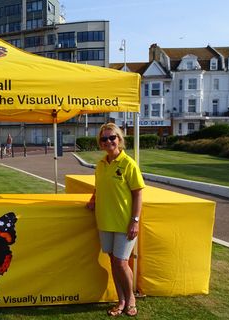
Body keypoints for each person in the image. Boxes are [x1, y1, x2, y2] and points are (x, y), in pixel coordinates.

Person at [86, 123, 144, 317]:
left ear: (120, 139)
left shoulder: (128, 164)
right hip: (104, 220)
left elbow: (138, 194)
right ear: (100, 143)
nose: (109, 141)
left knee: (121, 262)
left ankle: (131, 299)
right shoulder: (101, 164)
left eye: (112, 137)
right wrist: (93, 198)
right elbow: (99, 186)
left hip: (124, 222)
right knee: (113, 260)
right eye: (104, 139)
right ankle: (121, 300)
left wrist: (135, 220)